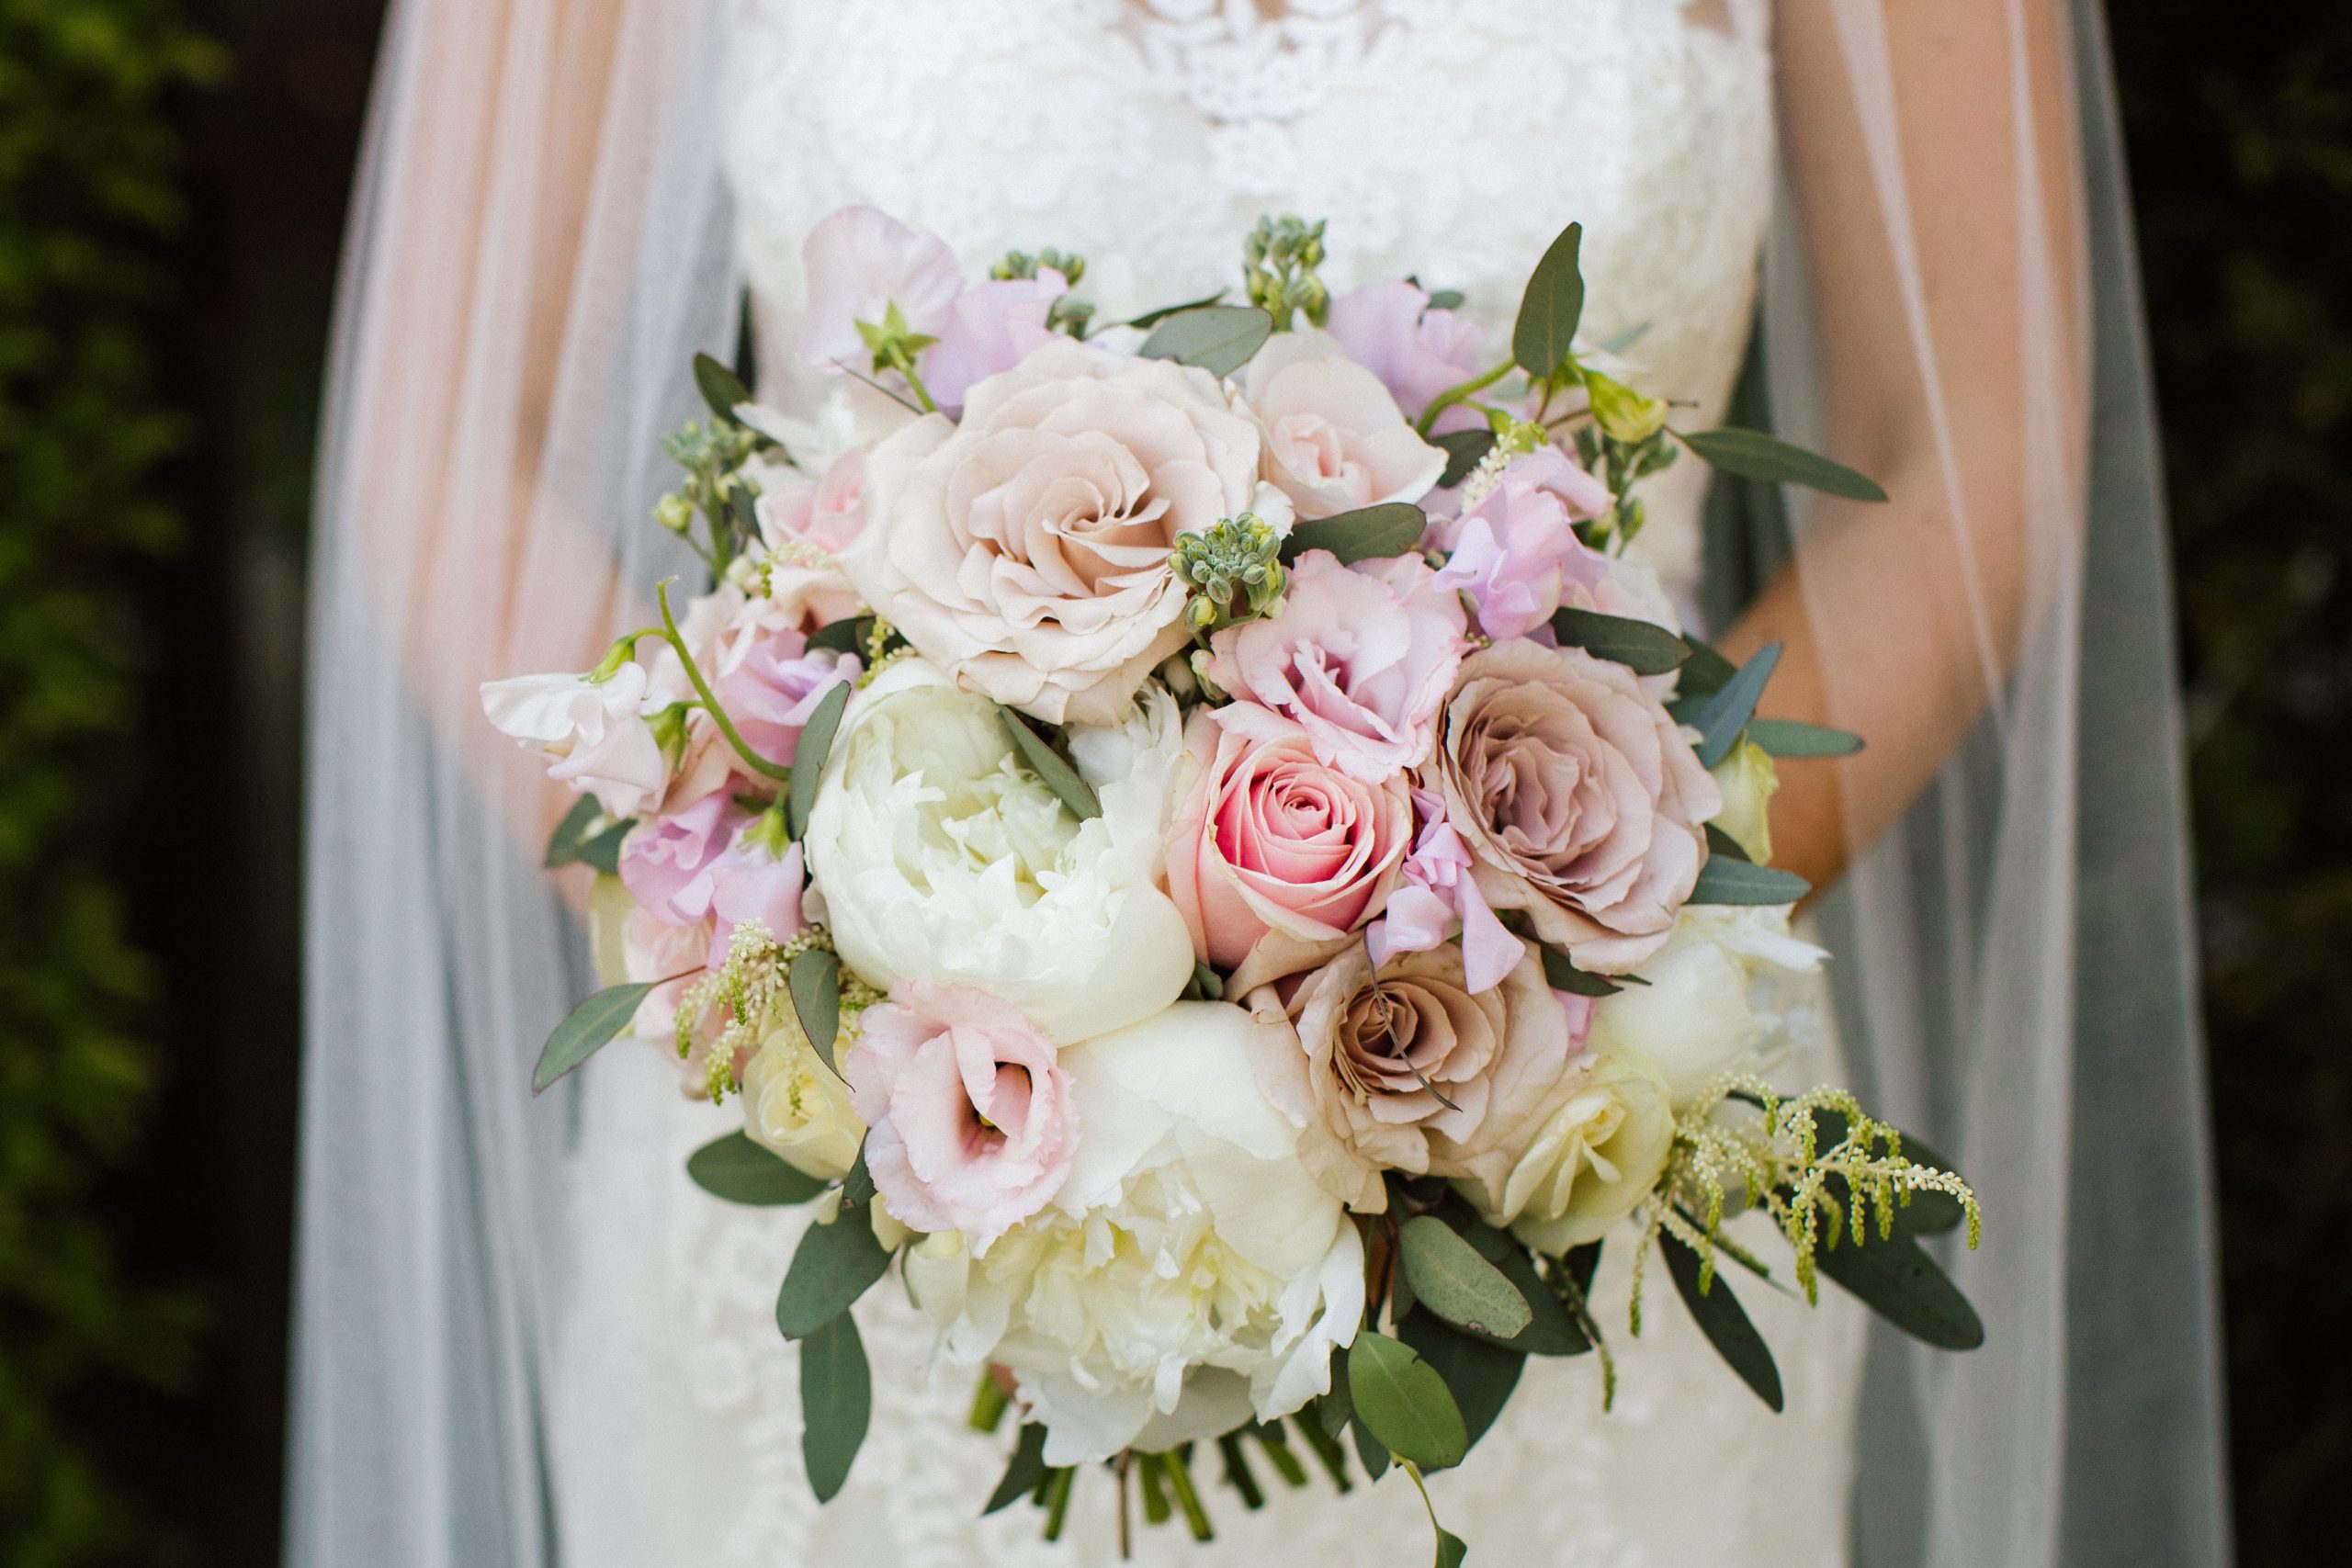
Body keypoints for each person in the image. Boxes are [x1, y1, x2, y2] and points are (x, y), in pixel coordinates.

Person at [289, 4, 2228, 1565]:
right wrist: (786, 981)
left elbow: (1972, 451)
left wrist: (1539, 991)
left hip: (1570, 1190)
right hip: (871, 1199)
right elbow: (444, 450)